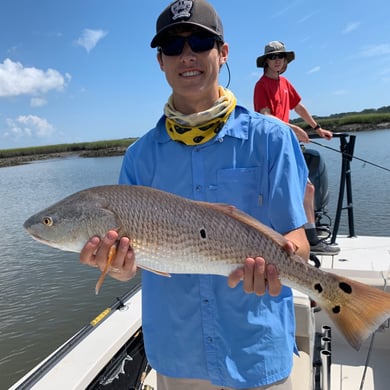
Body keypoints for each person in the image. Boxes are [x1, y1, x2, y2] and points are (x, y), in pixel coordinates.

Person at [80, 1, 310, 389]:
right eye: (172, 47)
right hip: (178, 353)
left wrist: (278, 265)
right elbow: (131, 262)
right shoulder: (139, 157)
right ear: (160, 62)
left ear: (223, 53)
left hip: (256, 347)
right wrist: (117, 267)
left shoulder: (273, 139)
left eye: (200, 41)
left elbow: (298, 242)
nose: (187, 55)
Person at [254, 41, 340, 256]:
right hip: (273, 144)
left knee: (306, 189)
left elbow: (298, 106)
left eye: (281, 57)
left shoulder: (285, 83)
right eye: (273, 57)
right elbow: (264, 115)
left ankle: (307, 238)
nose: (278, 61)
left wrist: (317, 128)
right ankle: (307, 239)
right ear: (266, 61)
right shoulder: (261, 85)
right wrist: (293, 128)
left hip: (290, 142)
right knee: (303, 190)